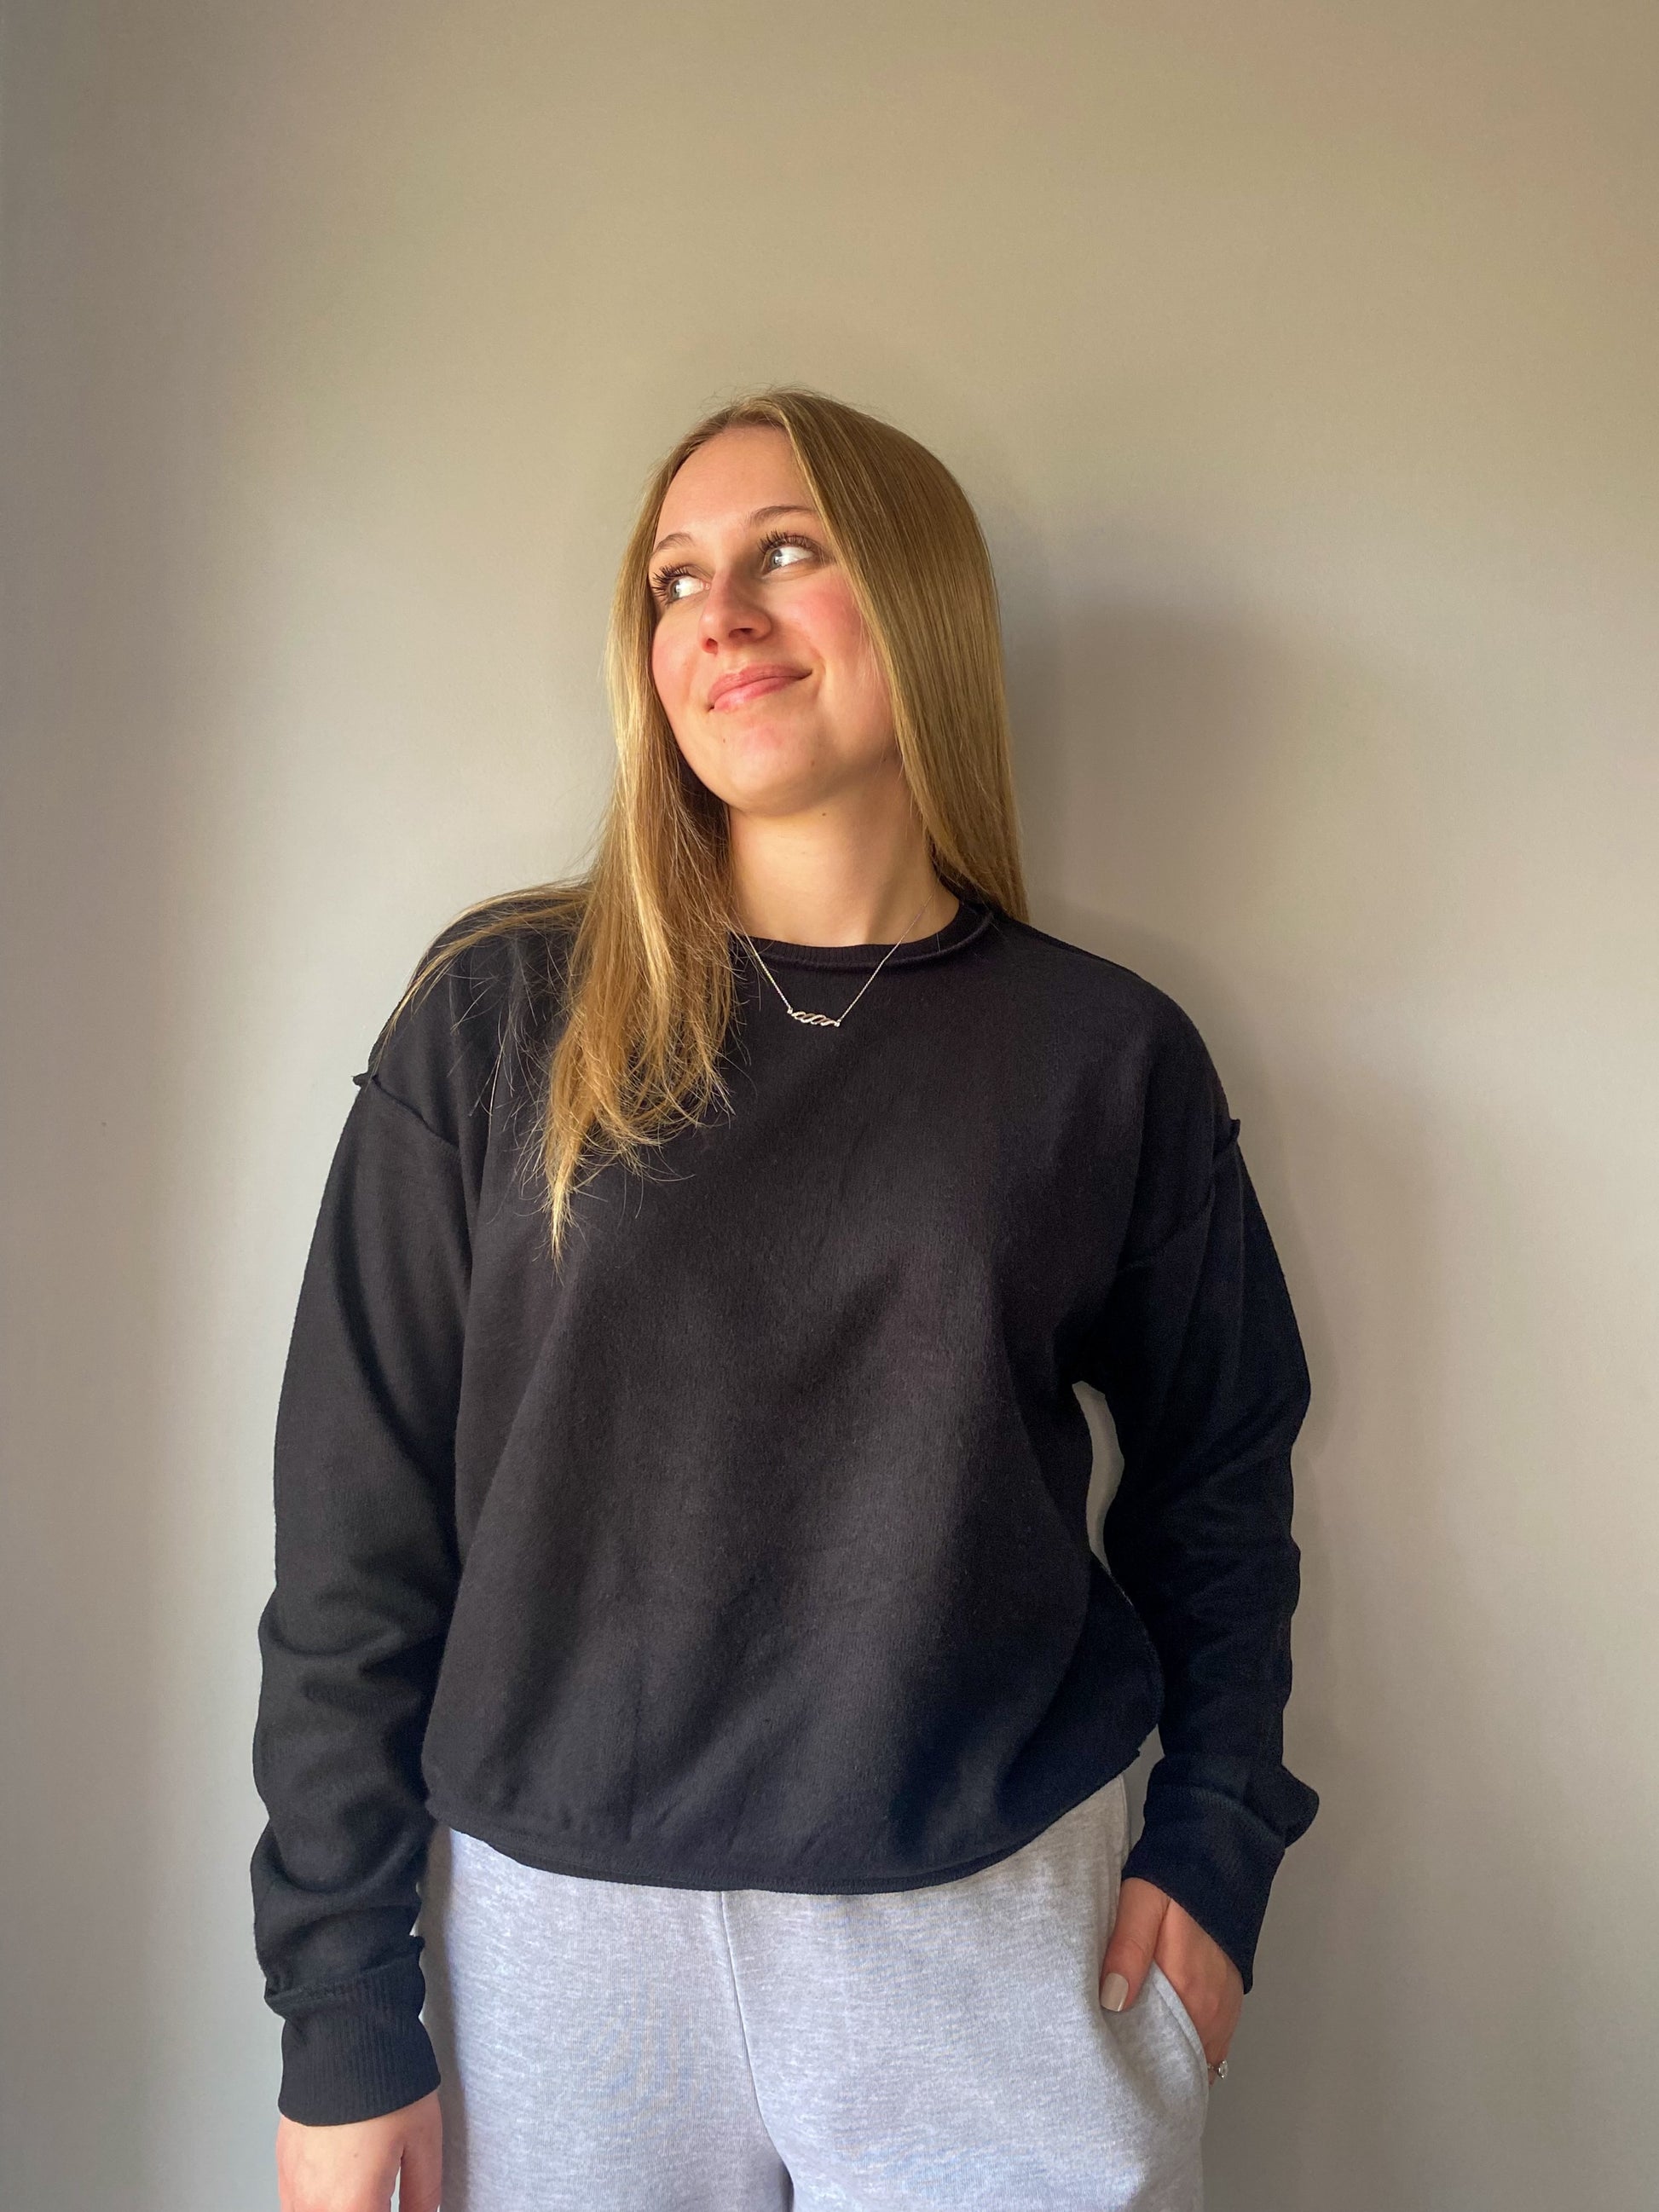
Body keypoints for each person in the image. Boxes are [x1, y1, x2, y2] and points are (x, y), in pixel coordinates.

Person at [251, 386, 1318, 2212]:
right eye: (674, 579)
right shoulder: (501, 1018)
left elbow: (1220, 1472)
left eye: (785, 553)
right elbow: (356, 1526)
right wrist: (339, 2002)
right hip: (564, 1947)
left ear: (918, 599)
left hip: (992, 1922)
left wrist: (1220, 1835)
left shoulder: (1100, 1055)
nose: (718, 616)